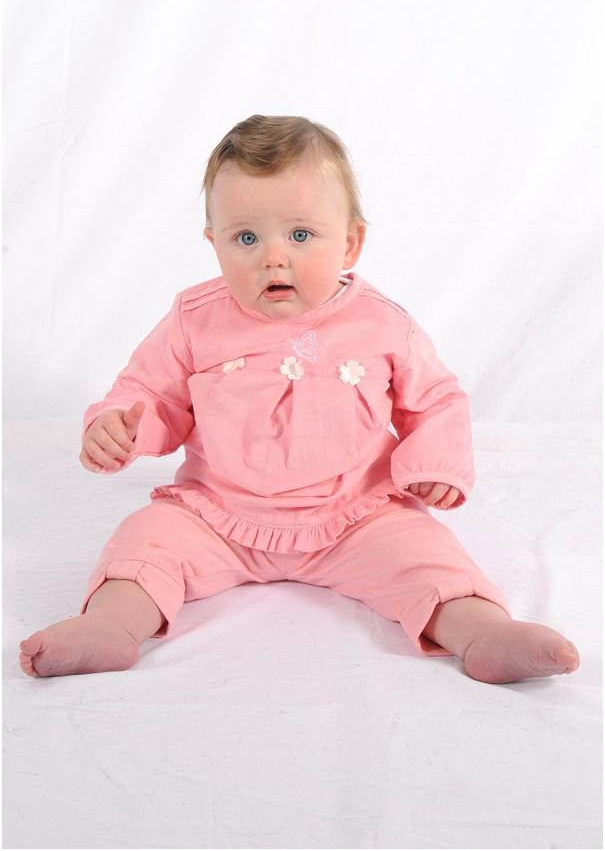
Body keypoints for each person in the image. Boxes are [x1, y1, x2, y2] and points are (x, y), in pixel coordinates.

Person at [19, 114, 580, 683]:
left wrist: (433, 465)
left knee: (428, 557)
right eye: (246, 238)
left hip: (356, 516)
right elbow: (149, 392)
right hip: (217, 515)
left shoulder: (382, 324)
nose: (273, 257)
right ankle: (111, 625)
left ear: (350, 242)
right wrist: (120, 426)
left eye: (301, 235)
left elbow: (435, 400)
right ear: (214, 244)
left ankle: (484, 631)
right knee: (144, 542)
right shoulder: (195, 319)